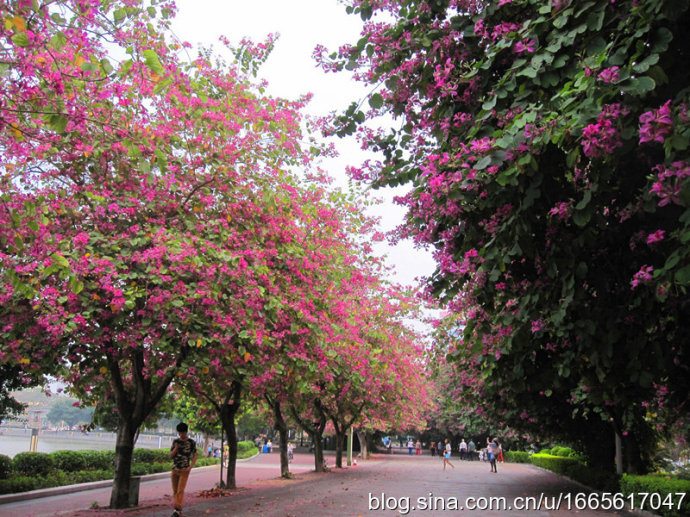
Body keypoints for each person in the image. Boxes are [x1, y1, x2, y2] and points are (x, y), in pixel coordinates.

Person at [170, 422, 197, 517]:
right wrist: (176, 448)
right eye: (179, 433)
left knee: (180, 490)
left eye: (182, 432)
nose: (181, 434)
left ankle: (176, 509)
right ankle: (178, 510)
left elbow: (195, 455)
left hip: (184, 469)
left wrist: (190, 467)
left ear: (186, 432)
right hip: (175, 469)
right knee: (175, 490)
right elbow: (171, 456)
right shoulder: (175, 442)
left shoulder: (191, 442)